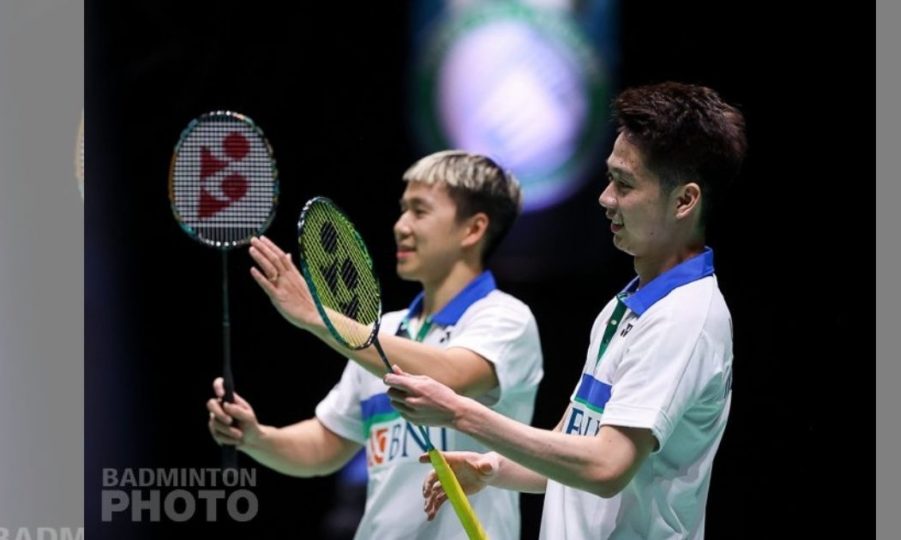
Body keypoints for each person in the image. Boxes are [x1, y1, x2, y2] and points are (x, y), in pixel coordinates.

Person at [385, 82, 747, 539]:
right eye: (610, 177)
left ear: (684, 200)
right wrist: (494, 468)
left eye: (625, 184)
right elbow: (577, 445)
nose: (605, 198)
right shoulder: (627, 304)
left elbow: (606, 466)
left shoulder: (684, 319)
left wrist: (460, 414)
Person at [207, 150, 544, 539]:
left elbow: (452, 375)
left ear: (472, 229)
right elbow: (323, 446)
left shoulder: (506, 320)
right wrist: (257, 438)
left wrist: (318, 317)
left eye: (419, 211)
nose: (400, 226)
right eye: (402, 210)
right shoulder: (386, 330)